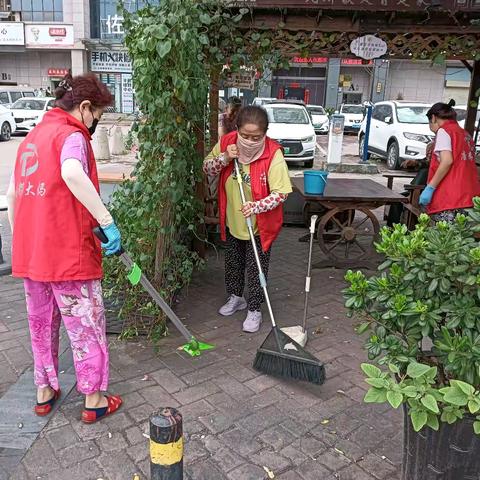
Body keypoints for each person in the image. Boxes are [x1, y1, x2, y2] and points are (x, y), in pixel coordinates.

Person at [6, 73, 123, 423]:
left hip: (32, 255)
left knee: (41, 326)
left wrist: (23, 240)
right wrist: (106, 220)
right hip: (68, 256)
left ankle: (44, 392)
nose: (96, 125)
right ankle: (94, 399)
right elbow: (72, 172)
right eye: (98, 116)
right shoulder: (71, 135)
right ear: (84, 108)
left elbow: (13, 194)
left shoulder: (33, 137)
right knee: (85, 325)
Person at [203, 106, 292, 333]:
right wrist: (224, 158)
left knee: (256, 269)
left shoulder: (273, 154)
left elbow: (281, 193)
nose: (249, 141)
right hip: (234, 220)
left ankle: (254, 308)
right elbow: (207, 168)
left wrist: (256, 206)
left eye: (256, 137)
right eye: (245, 136)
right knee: (233, 262)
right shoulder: (227, 143)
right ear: (237, 130)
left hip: (259, 226)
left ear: (265, 134)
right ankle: (236, 297)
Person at [419, 100, 480, 222]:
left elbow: (447, 161)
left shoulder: (444, 131)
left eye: (429, 123)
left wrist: (430, 187)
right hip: (471, 197)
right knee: (463, 237)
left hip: (450, 198)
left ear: (433, 118)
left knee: (444, 238)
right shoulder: (465, 134)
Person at [386, 142, 432, 227]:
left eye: (431, 150)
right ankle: (392, 226)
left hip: (421, 193)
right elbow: (421, 163)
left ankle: (393, 227)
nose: (429, 152)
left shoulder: (434, 162)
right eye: (428, 150)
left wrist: (416, 163)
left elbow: (425, 163)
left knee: (397, 200)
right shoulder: (426, 160)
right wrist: (411, 163)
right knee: (396, 198)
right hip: (418, 191)